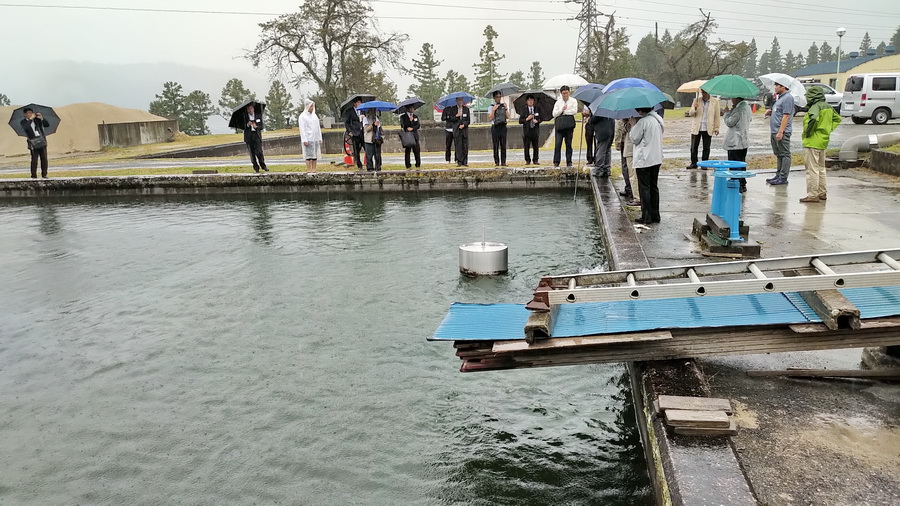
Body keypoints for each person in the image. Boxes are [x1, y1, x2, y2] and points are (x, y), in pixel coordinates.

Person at [800, 86, 842, 203]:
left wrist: (808, 132)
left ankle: (813, 195)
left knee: (812, 169)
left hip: (812, 141)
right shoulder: (828, 106)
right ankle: (822, 192)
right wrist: (828, 129)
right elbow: (837, 118)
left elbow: (813, 119)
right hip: (823, 140)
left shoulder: (815, 106)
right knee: (821, 168)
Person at [630, 107, 665, 225]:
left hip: (644, 159)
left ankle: (646, 216)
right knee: (654, 187)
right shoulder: (658, 119)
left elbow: (634, 139)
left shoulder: (643, 122)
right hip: (656, 157)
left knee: (644, 188)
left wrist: (633, 125)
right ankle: (655, 214)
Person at [764, 81, 795, 185]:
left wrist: (781, 131)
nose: (775, 88)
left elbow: (786, 116)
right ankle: (778, 174)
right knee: (778, 154)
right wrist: (771, 112)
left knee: (784, 154)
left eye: (777, 86)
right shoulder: (780, 98)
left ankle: (783, 177)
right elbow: (779, 112)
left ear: (783, 86)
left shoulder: (787, 98)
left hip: (781, 131)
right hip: (774, 130)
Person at [722, 97, 752, 193]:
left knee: (734, 163)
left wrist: (726, 113)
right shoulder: (747, 107)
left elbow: (730, 122)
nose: (731, 99)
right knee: (741, 162)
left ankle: (736, 183)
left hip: (735, 141)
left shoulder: (738, 109)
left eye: (733, 98)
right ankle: (742, 183)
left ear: (737, 98)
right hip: (744, 140)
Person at [686, 90, 720, 169]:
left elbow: (717, 116)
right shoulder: (696, 100)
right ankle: (694, 163)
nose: (703, 94)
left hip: (708, 127)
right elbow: (691, 114)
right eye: (702, 92)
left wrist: (716, 128)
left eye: (705, 92)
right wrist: (694, 107)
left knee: (706, 147)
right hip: (697, 126)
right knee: (694, 147)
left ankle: (705, 163)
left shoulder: (715, 102)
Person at [552, 85, 578, 168]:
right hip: (560, 125)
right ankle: (556, 161)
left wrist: (566, 111)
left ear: (569, 92)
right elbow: (554, 114)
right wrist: (561, 110)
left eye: (566, 93)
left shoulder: (573, 101)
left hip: (569, 124)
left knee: (568, 144)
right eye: (563, 93)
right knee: (558, 144)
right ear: (561, 93)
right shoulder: (558, 102)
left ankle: (569, 161)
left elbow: (574, 111)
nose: (565, 95)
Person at [20, 107, 50, 179]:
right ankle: (33, 175)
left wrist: (41, 118)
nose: (30, 114)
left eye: (31, 112)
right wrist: (30, 119)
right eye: (28, 113)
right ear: (25, 114)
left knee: (44, 158)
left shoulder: (37, 120)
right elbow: (26, 128)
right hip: (33, 142)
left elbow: (47, 125)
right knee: (34, 159)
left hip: (41, 140)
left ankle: (44, 174)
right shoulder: (23, 122)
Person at [615, 118, 638, 204]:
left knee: (627, 168)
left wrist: (617, 144)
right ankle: (631, 189)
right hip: (633, 146)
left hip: (627, 145)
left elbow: (619, 131)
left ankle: (630, 189)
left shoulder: (624, 119)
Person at [442, 97, 470, 167]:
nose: (460, 101)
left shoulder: (466, 109)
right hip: (457, 130)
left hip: (464, 130)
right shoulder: (453, 109)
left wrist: (464, 125)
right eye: (459, 100)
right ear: (456, 101)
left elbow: (468, 120)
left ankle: (465, 161)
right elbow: (450, 119)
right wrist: (456, 116)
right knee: (458, 146)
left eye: (461, 100)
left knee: (465, 146)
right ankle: (459, 161)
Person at [299, 99, 322, 173]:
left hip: (315, 138)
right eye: (311, 106)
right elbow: (302, 129)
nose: (312, 108)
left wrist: (319, 137)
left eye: (313, 106)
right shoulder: (302, 116)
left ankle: (314, 168)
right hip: (308, 138)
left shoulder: (314, 116)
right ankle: (309, 169)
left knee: (314, 155)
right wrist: (304, 139)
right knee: (309, 156)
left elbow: (318, 127)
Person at [244, 104, 268, 173]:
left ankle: (263, 165)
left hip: (256, 136)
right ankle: (256, 167)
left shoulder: (258, 116)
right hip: (249, 137)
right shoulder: (245, 117)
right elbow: (242, 126)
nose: (250, 110)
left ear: (253, 109)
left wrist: (256, 127)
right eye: (248, 109)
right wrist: (247, 125)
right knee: (252, 154)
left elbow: (261, 126)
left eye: (251, 109)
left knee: (259, 152)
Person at [590, 111, 615, 178]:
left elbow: (594, 119)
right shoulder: (609, 107)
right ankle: (606, 169)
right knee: (607, 150)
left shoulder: (600, 108)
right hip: (610, 130)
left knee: (601, 150)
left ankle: (599, 168)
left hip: (603, 131)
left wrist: (590, 119)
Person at [489, 91, 510, 167]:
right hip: (495, 127)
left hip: (503, 127)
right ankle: (496, 162)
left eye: (499, 97)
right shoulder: (491, 106)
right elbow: (490, 118)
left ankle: (503, 162)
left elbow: (508, 117)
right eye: (497, 97)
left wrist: (506, 108)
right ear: (494, 98)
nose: (498, 98)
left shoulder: (503, 106)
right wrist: (493, 110)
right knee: (496, 145)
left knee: (503, 145)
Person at [519, 94, 542, 165]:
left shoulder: (537, 109)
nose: (530, 102)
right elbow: (520, 121)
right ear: (526, 101)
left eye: (532, 100)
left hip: (535, 130)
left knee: (536, 146)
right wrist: (527, 119)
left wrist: (537, 121)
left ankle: (535, 159)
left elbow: (541, 118)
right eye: (529, 100)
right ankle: (527, 160)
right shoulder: (524, 109)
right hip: (527, 131)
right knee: (526, 146)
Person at [344, 98, 364, 170]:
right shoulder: (349, 111)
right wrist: (349, 131)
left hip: (363, 132)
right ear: (354, 103)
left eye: (360, 102)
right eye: (358, 102)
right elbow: (347, 123)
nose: (359, 104)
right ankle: (359, 164)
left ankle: (369, 164)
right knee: (356, 149)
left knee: (366, 148)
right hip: (354, 132)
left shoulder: (363, 111)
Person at [400, 104, 421, 169]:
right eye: (411, 108)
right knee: (407, 151)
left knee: (417, 151)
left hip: (414, 135)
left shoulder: (415, 116)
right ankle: (408, 165)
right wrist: (410, 121)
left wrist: (413, 127)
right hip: (408, 136)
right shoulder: (403, 117)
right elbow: (403, 125)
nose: (413, 109)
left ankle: (418, 164)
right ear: (408, 109)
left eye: (413, 108)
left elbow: (418, 125)